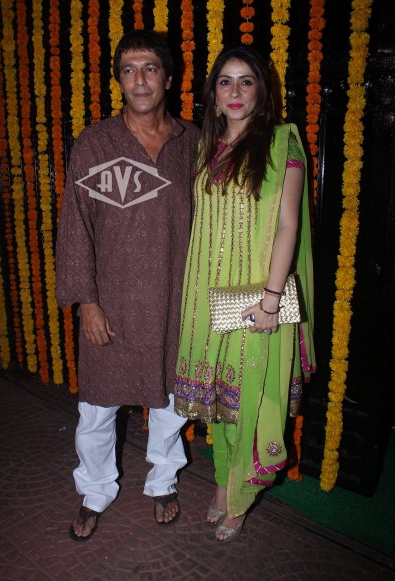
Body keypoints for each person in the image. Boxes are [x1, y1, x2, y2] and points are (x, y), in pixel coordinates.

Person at [56, 29, 199, 541]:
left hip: (174, 299)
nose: (139, 81)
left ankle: (162, 481)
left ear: (168, 77)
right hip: (111, 303)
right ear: (118, 80)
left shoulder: (192, 142)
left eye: (150, 69)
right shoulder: (96, 142)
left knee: (169, 402)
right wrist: (86, 301)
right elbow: (76, 224)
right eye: (128, 70)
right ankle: (95, 490)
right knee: (97, 407)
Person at [174, 46, 315, 543]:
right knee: (221, 402)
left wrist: (272, 299)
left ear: (261, 91)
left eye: (246, 81)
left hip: (256, 297)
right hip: (205, 295)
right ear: (213, 95)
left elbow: (288, 224)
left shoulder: (281, 143)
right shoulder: (201, 149)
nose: (235, 91)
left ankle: (239, 497)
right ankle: (221, 485)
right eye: (225, 82)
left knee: (251, 399)